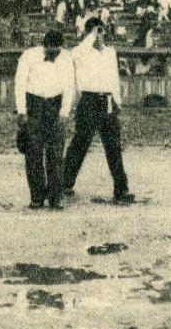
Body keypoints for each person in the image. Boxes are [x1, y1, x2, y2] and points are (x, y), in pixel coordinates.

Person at [62, 18, 133, 203]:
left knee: (113, 146)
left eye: (101, 31)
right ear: (88, 34)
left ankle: (121, 189)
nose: (100, 35)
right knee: (80, 143)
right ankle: (64, 183)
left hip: (107, 100)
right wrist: (91, 35)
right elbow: (77, 53)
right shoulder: (80, 52)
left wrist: (117, 102)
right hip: (88, 100)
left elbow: (114, 78)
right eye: (96, 32)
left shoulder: (110, 52)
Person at [15, 29, 75, 209]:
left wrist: (64, 113)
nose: (55, 53)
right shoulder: (28, 56)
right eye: (51, 50)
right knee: (33, 152)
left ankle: (55, 197)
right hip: (34, 105)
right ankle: (37, 196)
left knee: (56, 153)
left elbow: (69, 87)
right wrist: (21, 110)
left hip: (55, 105)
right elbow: (20, 83)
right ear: (44, 46)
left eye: (58, 49)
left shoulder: (66, 58)